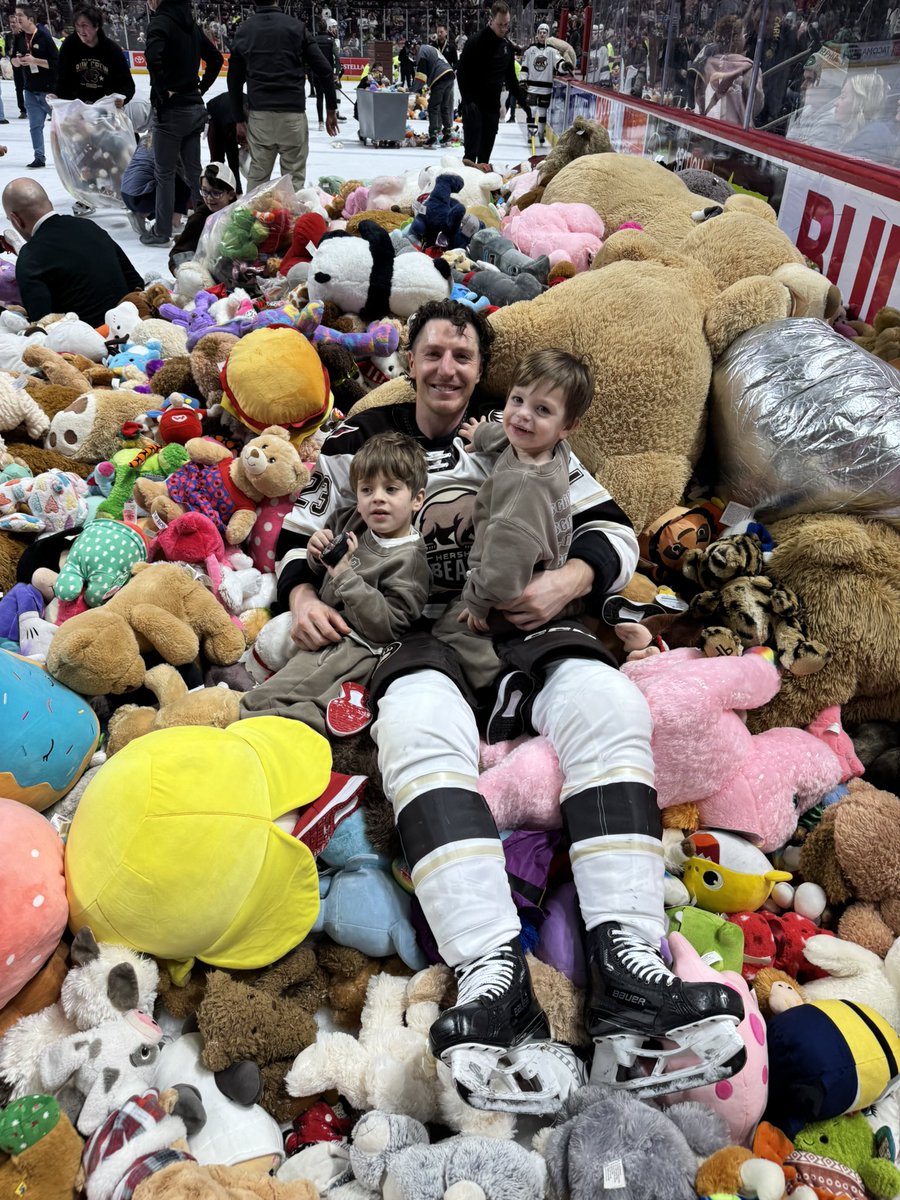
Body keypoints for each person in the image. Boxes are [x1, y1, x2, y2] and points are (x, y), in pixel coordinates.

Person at [272, 298, 745, 1115]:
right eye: (434, 352)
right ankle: (490, 976)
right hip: (427, 635)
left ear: (480, 369)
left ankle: (630, 963)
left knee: (608, 704)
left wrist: (573, 577)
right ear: (410, 361)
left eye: (464, 354)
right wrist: (302, 588)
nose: (448, 367)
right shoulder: (362, 441)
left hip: (535, 627)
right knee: (414, 728)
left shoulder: (526, 427)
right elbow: (302, 522)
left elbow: (614, 530)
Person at [240, 431, 431, 737]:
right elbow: (323, 568)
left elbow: (388, 626)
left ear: (416, 499)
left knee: (303, 688)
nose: (377, 498)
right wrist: (317, 552)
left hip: (359, 644)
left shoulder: (409, 560)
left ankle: (265, 722)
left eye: (391, 489)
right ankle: (257, 703)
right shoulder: (351, 521)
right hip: (324, 620)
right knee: (281, 659)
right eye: (367, 490)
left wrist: (343, 572)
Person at [456, 350, 590, 635]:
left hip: (510, 602)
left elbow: (502, 574)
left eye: (542, 409)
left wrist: (478, 602)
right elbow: (509, 433)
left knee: (453, 634)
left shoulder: (520, 494)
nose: (522, 415)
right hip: (546, 561)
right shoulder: (550, 446)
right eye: (517, 399)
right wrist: (481, 435)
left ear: (567, 426)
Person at [227, 0, 338, 194]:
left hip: (260, 116)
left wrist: (238, 119)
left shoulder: (244, 30)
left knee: (258, 178)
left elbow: (234, 81)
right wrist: (330, 110)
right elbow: (326, 71)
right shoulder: (296, 27)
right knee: (293, 179)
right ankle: (290, 222)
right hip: (292, 116)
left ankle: (253, 220)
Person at [2, 177, 142, 325]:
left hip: (85, 343)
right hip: (129, 325)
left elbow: (43, 324)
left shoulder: (30, 257)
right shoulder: (89, 227)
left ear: (16, 220)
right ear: (49, 204)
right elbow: (135, 282)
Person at [143, 0, 222, 247]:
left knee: (164, 173)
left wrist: (162, 90)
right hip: (194, 108)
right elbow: (216, 60)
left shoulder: (160, 23)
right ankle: (205, 224)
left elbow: (152, 58)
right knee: (193, 171)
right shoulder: (191, 25)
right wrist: (200, 88)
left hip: (172, 112)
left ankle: (162, 231)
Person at [457, 0, 532, 164]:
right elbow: (462, 72)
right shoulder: (475, 42)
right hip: (474, 108)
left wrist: (524, 105)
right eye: (500, 25)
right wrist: (467, 100)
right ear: (491, 20)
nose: (504, 29)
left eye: (507, 25)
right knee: (470, 157)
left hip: (492, 111)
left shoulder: (506, 47)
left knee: (484, 159)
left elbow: (511, 80)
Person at [55, 6, 135, 106]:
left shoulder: (112, 49)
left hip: (105, 109)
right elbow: (61, 77)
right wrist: (57, 94)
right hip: (76, 108)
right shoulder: (69, 46)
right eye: (77, 25)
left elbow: (126, 84)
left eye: (84, 25)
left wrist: (122, 98)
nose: (80, 30)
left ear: (96, 26)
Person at [691, 16, 764, 123]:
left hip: (708, 126)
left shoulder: (707, 65)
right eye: (744, 34)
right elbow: (756, 105)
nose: (745, 38)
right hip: (735, 131)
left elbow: (698, 98)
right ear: (737, 38)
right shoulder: (749, 69)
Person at [11, 5, 58, 170]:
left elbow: (56, 63)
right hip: (30, 89)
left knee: (61, 127)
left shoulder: (44, 36)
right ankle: (39, 157)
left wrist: (35, 61)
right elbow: (13, 59)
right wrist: (17, 62)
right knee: (35, 126)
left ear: (30, 19)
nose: (16, 18)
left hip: (49, 91)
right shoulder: (19, 37)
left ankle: (68, 156)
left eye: (19, 15)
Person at [120, 128, 191, 238]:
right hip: (142, 196)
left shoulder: (145, 139)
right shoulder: (171, 143)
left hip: (126, 193)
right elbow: (183, 175)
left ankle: (142, 213)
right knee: (183, 187)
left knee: (159, 182)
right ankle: (173, 223)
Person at [168, 160, 236, 271]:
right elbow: (177, 254)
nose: (209, 198)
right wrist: (183, 273)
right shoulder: (199, 219)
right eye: (205, 192)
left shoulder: (240, 215)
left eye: (216, 193)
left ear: (231, 194)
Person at [521, 22, 567, 144]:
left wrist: (564, 66)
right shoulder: (530, 50)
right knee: (532, 110)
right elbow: (524, 67)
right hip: (532, 87)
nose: (542, 35)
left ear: (548, 35)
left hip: (546, 88)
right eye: (540, 32)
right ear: (537, 34)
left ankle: (541, 134)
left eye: (544, 33)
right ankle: (530, 135)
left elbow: (559, 63)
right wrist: (522, 80)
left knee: (542, 112)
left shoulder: (552, 51)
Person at [409, 38, 455, 147]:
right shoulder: (428, 48)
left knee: (433, 107)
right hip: (449, 74)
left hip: (440, 77)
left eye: (412, 52)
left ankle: (433, 134)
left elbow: (421, 77)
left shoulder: (422, 53)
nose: (413, 55)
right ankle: (447, 131)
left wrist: (412, 90)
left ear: (415, 47)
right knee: (444, 106)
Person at [206, 90, 244, 193]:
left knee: (233, 161)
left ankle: (236, 190)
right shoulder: (230, 123)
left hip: (231, 114)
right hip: (215, 115)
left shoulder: (252, 117)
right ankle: (214, 188)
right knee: (217, 160)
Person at [312, 17, 337, 132]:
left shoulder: (313, 39)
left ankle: (320, 122)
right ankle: (330, 116)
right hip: (328, 72)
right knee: (329, 95)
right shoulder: (331, 40)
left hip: (316, 72)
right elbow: (336, 57)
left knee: (319, 97)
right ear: (326, 28)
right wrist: (337, 71)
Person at [9, 12, 26, 119]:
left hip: (27, 65)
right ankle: (22, 110)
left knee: (33, 89)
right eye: (11, 22)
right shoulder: (10, 36)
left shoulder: (25, 35)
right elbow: (11, 52)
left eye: (15, 22)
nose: (13, 24)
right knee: (18, 88)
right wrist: (13, 59)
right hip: (17, 66)